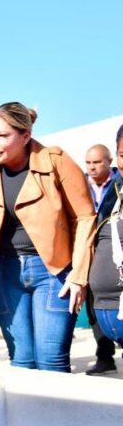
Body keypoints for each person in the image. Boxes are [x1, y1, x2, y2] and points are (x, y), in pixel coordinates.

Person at [0, 102, 95, 372]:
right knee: (21, 361)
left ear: (25, 135)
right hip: (5, 273)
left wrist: (79, 275)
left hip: (54, 273)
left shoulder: (55, 160)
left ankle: (58, 415)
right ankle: (27, 417)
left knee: (51, 359)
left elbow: (85, 217)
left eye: (2, 136)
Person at [85, 140, 123, 375]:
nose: (92, 167)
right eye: (88, 162)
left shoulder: (117, 184)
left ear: (109, 161)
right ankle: (104, 356)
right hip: (94, 255)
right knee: (93, 310)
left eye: (97, 162)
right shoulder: (81, 184)